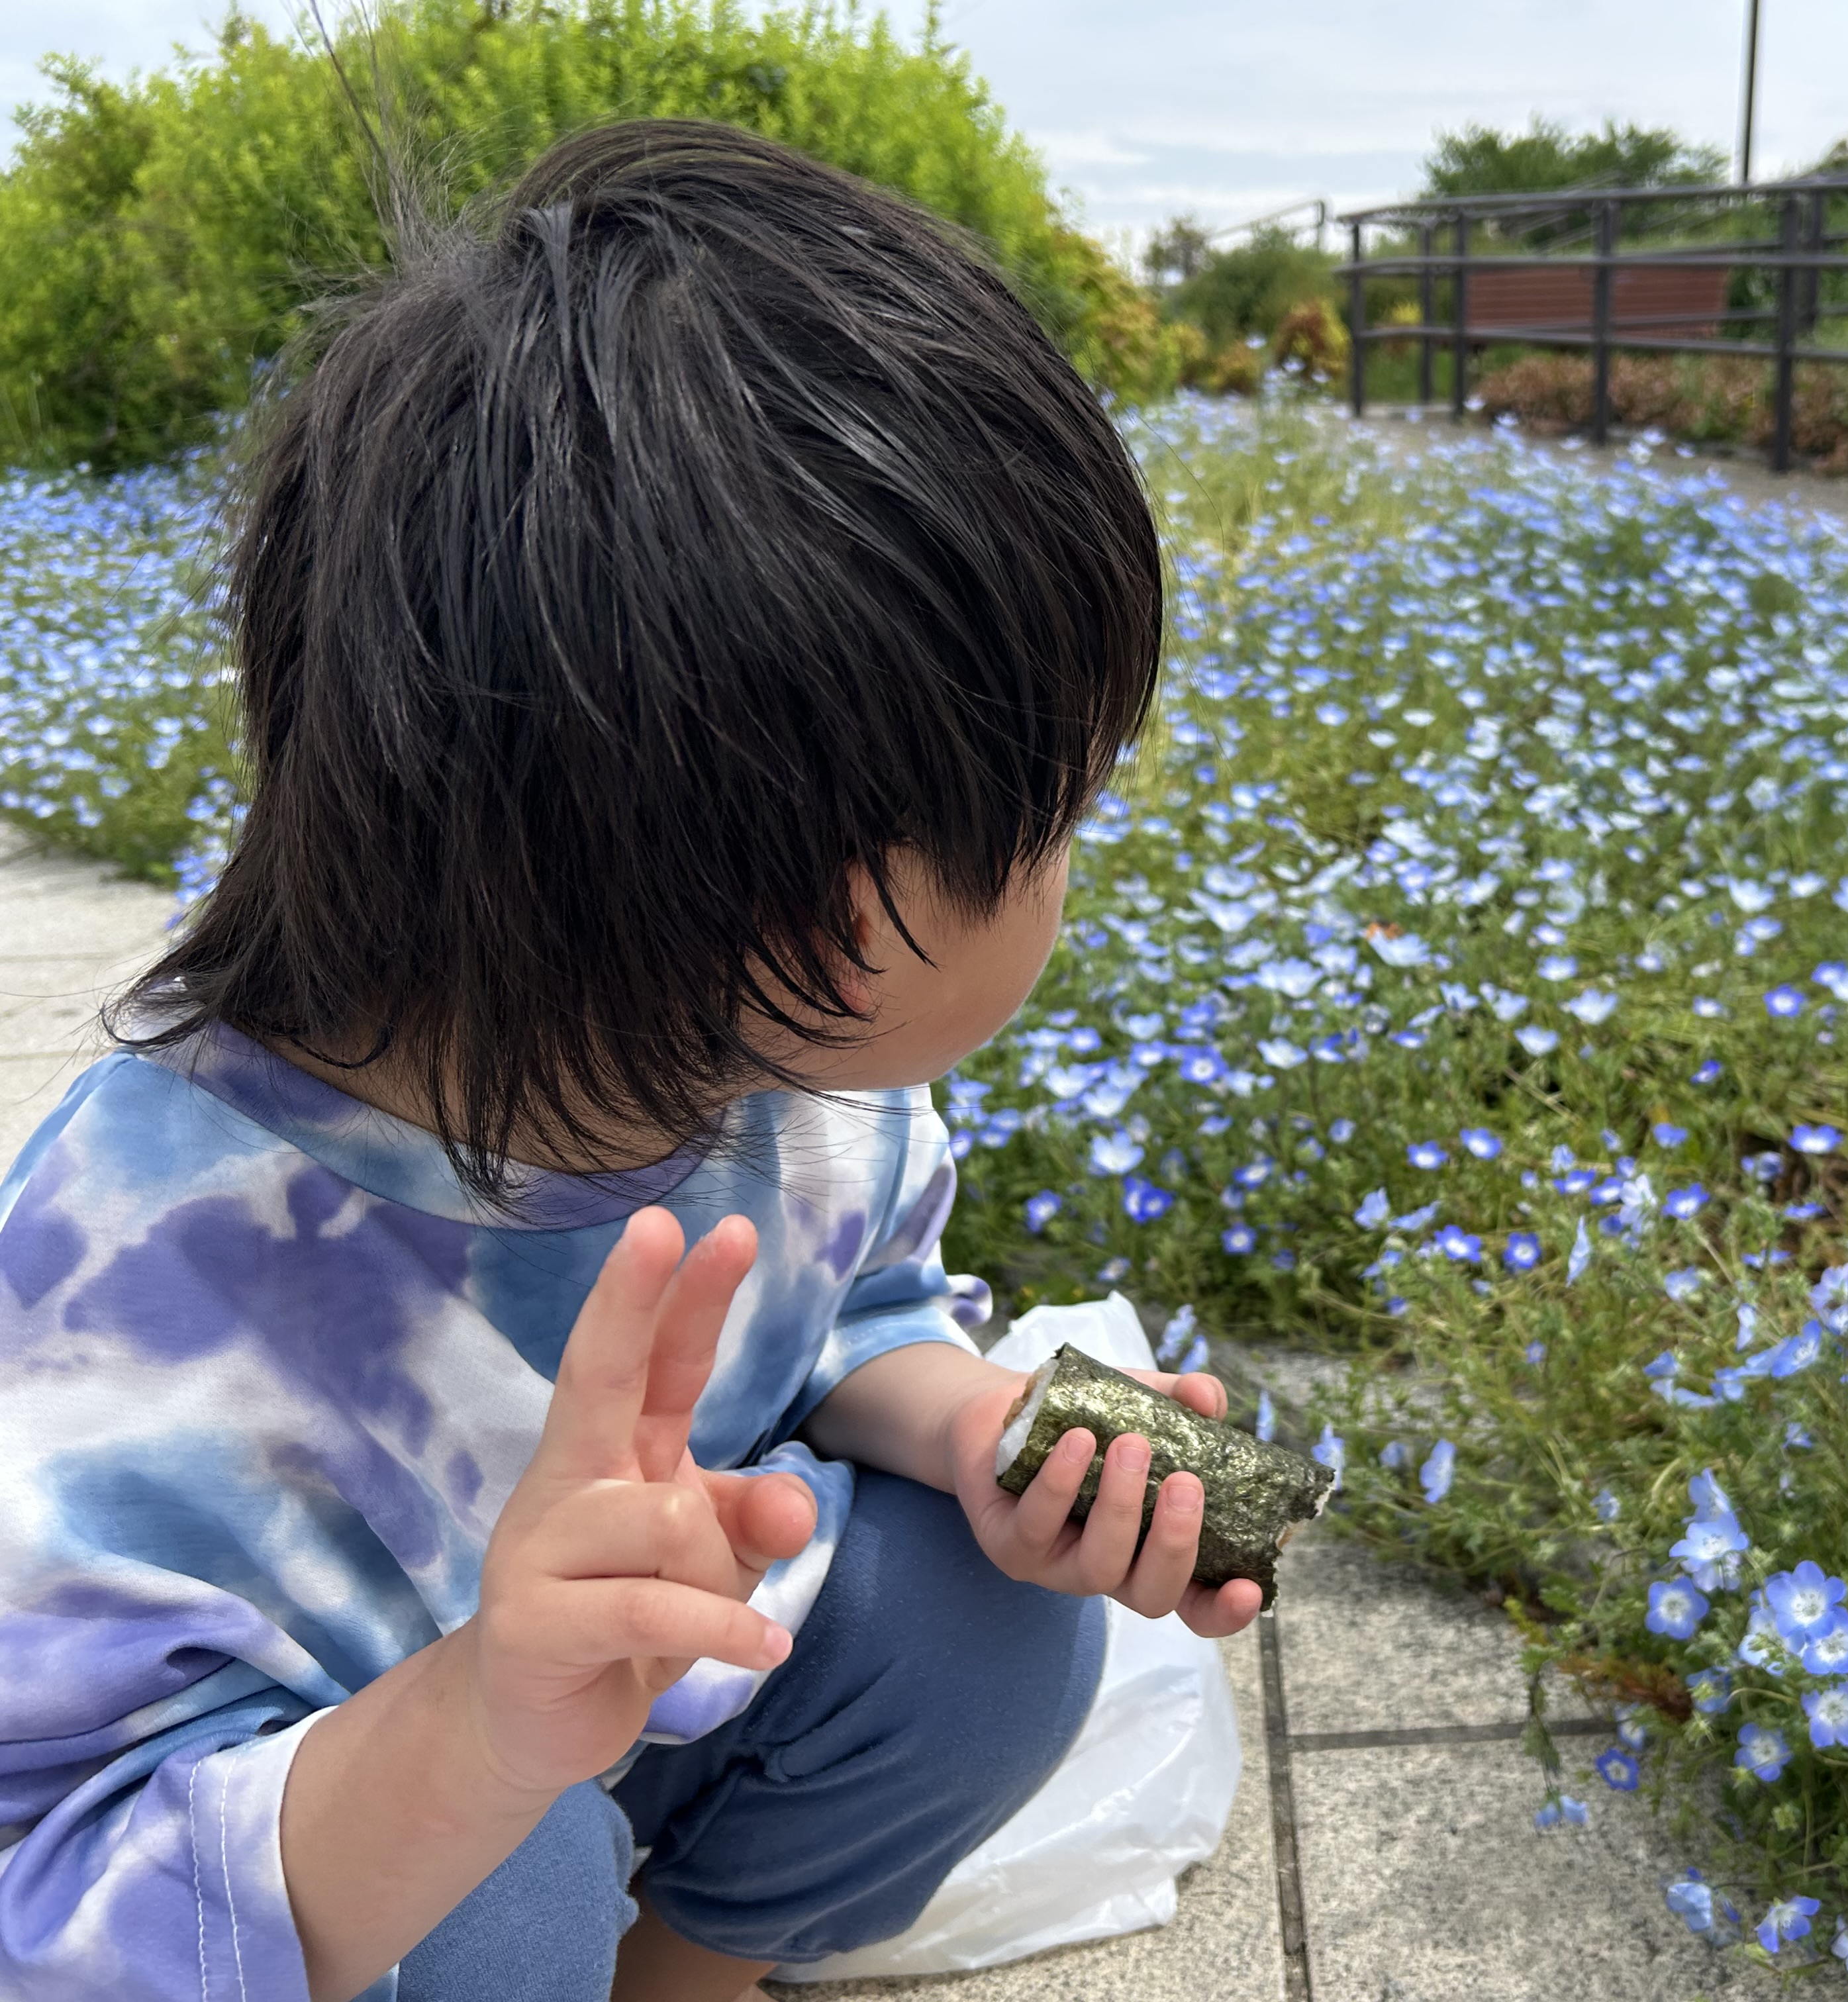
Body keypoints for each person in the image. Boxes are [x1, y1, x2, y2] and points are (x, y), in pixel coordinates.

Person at [0, 119, 1254, 2002]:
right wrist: (472, 1741)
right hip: (302, 1867)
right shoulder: (134, 1325)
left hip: (611, 1698)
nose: (1076, 851)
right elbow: (54, 1904)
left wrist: (974, 1431)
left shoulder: (776, 1062)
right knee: (495, 1895)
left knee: (980, 1615)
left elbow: (856, 1317)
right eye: (1060, 803)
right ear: (844, 924)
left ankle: (678, 1968)